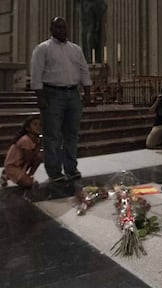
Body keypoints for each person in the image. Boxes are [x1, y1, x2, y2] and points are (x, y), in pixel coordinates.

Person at [31, 16, 92, 182]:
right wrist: (40, 96)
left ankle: (71, 168)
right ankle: (54, 171)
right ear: (51, 30)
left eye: (64, 28)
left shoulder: (76, 49)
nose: (62, 31)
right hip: (52, 94)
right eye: (58, 28)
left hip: (73, 94)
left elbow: (84, 70)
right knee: (52, 136)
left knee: (72, 134)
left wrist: (87, 92)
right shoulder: (43, 48)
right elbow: (36, 74)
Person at [1, 116, 42, 188]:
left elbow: (34, 156)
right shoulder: (25, 140)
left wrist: (38, 145)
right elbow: (28, 159)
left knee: (39, 157)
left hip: (21, 164)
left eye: (40, 124)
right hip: (13, 166)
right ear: (27, 128)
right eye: (35, 124)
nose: (38, 126)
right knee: (28, 184)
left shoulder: (36, 139)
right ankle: (7, 173)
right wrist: (36, 149)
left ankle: (29, 176)